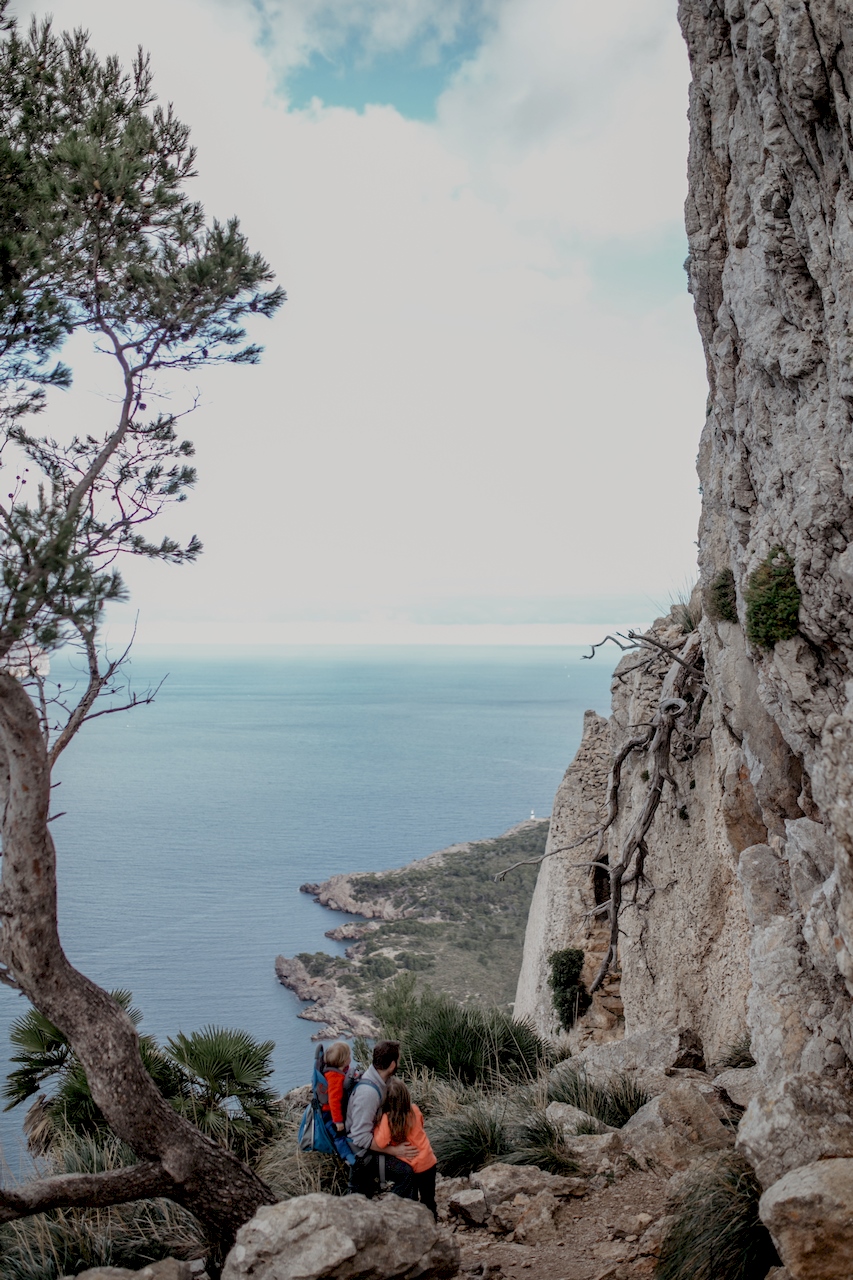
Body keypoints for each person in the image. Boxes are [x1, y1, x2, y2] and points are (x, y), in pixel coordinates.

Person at [345, 1039, 415, 1199]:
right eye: (398, 1060)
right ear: (392, 1065)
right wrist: (394, 1150)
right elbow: (360, 1137)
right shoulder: (368, 1093)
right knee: (406, 1173)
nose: (399, 1063)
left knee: (362, 1199)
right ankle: (395, 1214)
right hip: (362, 1157)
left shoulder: (380, 1082)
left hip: (371, 1149)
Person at [373, 1078, 437, 1218]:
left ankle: (414, 1225)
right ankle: (433, 1224)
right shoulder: (414, 1110)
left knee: (411, 1200)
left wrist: (376, 1127)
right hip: (429, 1162)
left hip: (413, 1166)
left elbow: (381, 1142)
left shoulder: (387, 1119)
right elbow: (421, 1123)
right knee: (429, 1200)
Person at [319, 1041, 351, 1137]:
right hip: (330, 1113)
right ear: (344, 1061)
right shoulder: (335, 1078)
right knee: (338, 1136)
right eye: (349, 1055)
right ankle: (345, 1152)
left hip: (331, 1111)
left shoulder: (335, 1071)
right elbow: (333, 1100)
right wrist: (338, 1121)